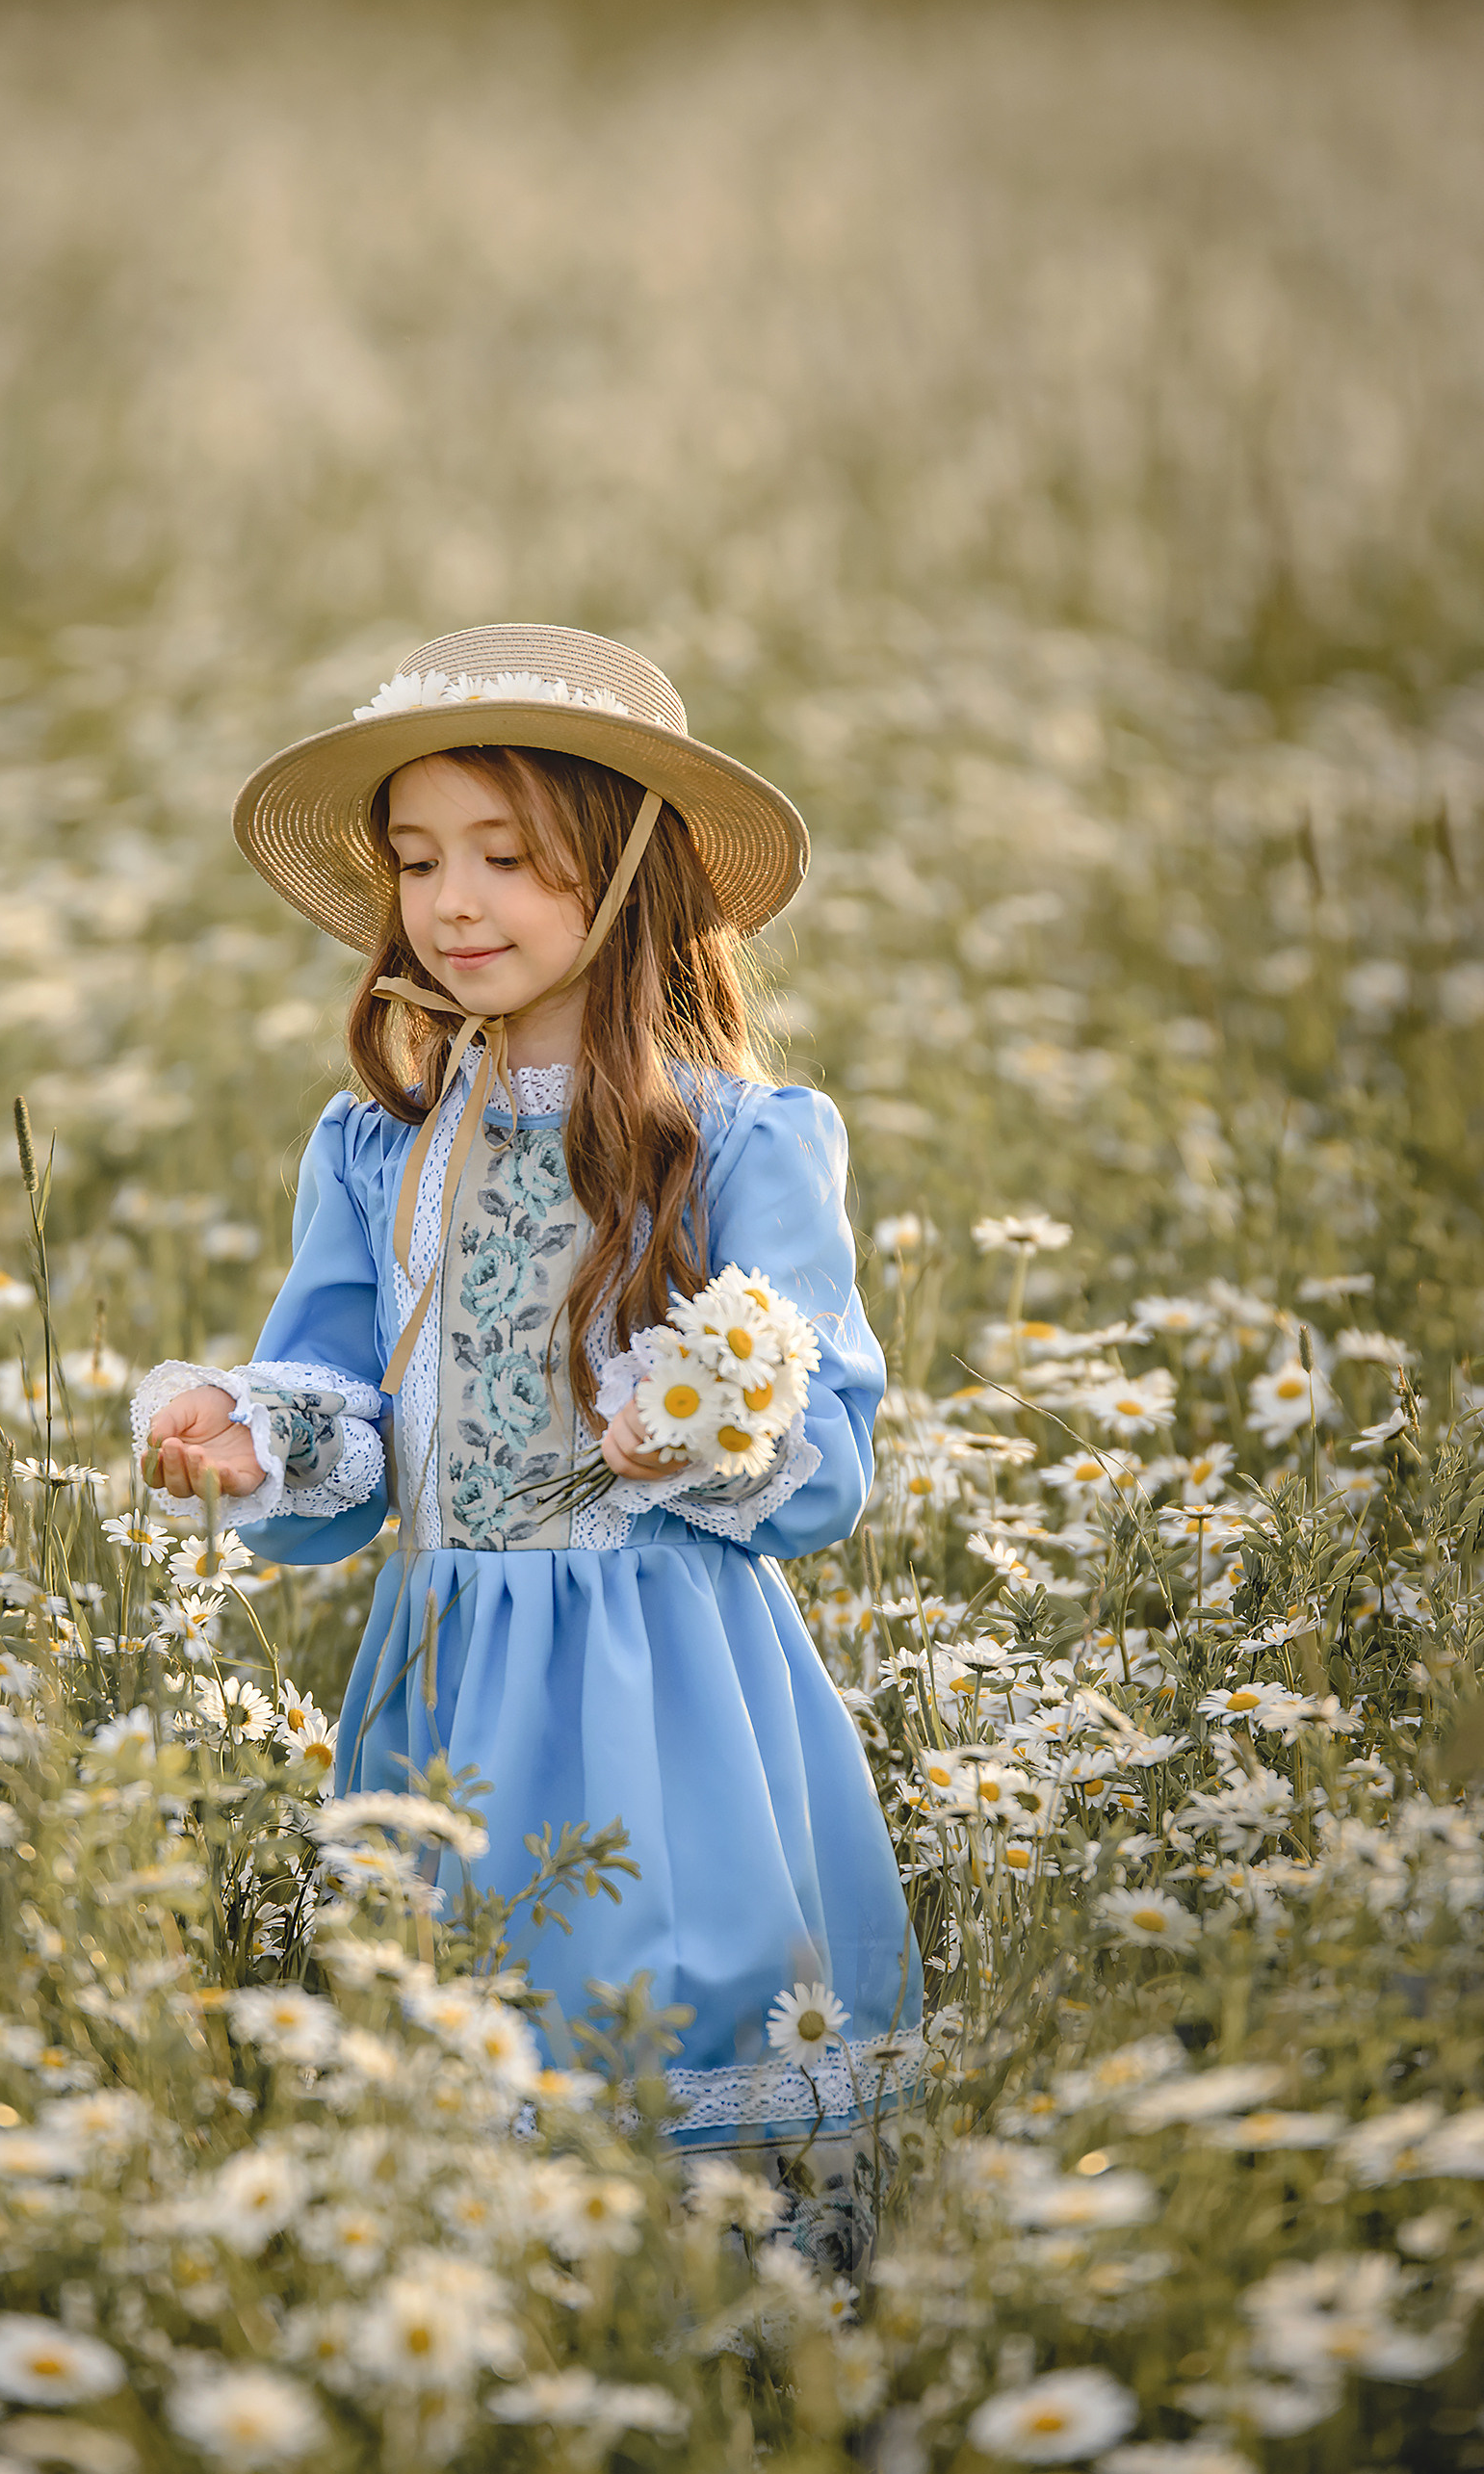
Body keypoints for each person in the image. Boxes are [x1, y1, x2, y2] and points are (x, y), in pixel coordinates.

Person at [134, 624, 919, 2263]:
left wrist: (700, 1429)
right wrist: (249, 1434)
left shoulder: (740, 1138)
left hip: (665, 1668)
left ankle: (720, 2345)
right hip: (442, 1673)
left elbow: (826, 1450)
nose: (451, 903)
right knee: (453, 2026)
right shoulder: (378, 1141)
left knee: (667, 2007)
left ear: (626, 877)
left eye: (507, 858)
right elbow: (339, 1381)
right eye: (417, 861)